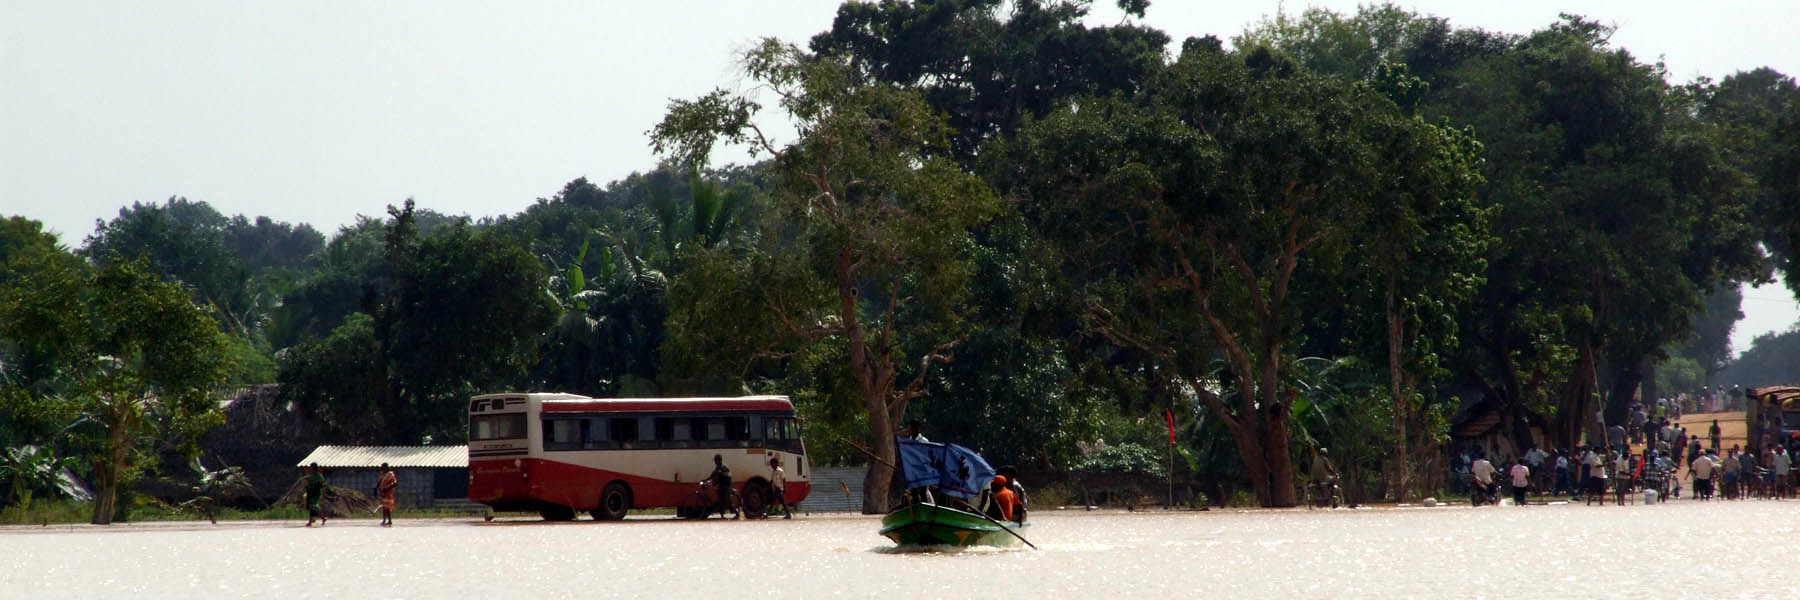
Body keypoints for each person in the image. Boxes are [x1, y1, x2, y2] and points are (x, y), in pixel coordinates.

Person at [708, 454, 737, 519]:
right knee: (720, 499)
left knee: (725, 500)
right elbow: (712, 475)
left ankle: (735, 512)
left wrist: (721, 473)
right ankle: (722, 514)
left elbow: (728, 475)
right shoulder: (717, 467)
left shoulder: (724, 467)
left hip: (725, 485)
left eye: (716, 460)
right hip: (721, 485)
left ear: (719, 460)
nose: (715, 462)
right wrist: (705, 480)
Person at [376, 463, 398, 527]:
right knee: (384, 507)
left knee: (387, 507)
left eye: (383, 467)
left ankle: (389, 520)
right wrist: (376, 488)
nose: (382, 468)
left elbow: (395, 483)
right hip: (383, 493)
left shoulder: (391, 474)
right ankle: (384, 520)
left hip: (389, 493)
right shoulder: (382, 474)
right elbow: (379, 481)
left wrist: (387, 488)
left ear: (386, 467)